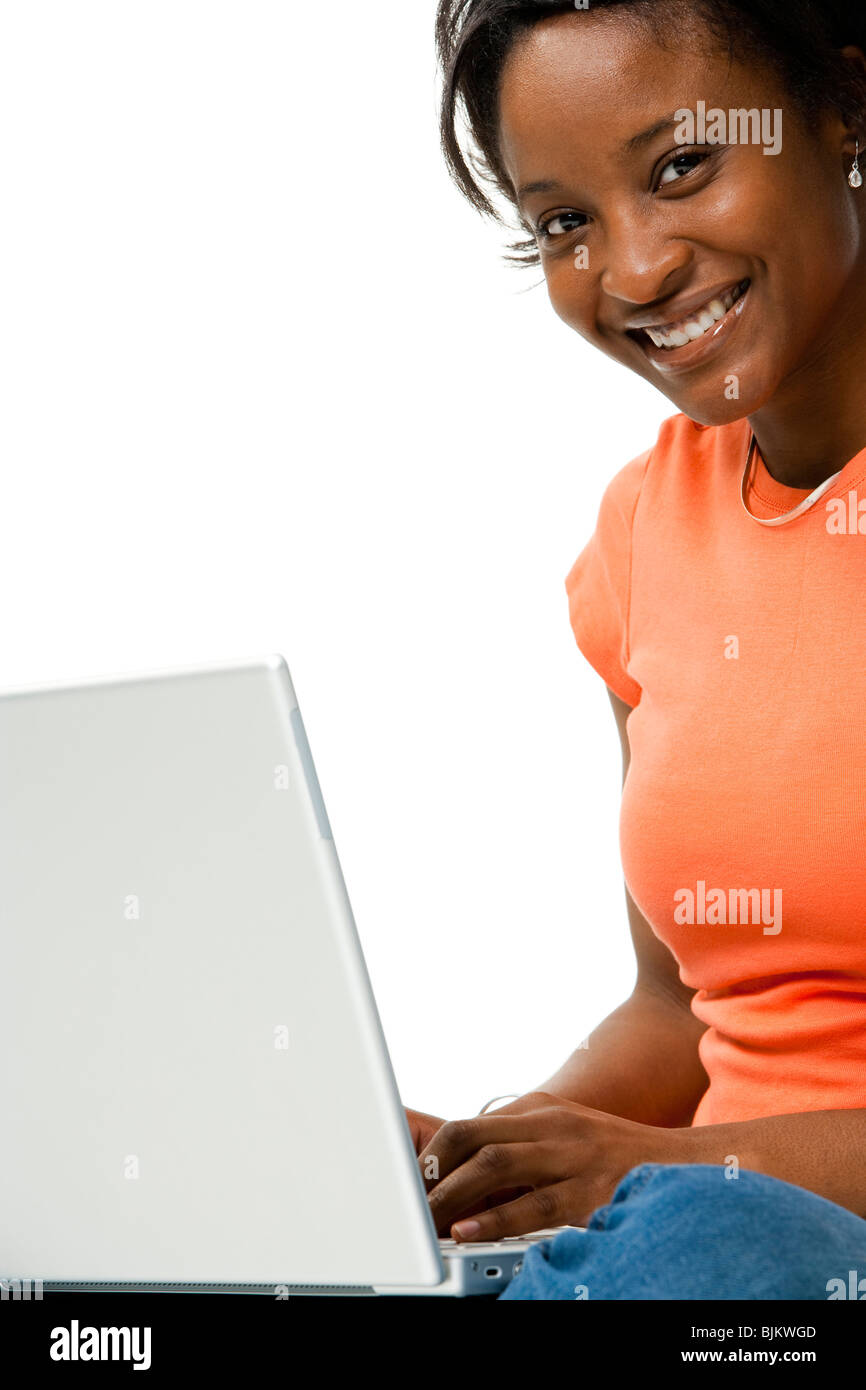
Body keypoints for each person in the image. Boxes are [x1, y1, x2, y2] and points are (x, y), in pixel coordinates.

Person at [403, 0, 866, 1299]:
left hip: (745, 1250)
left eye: (677, 168)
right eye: (563, 222)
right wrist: (512, 1152)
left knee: (706, 1243)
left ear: (842, 107)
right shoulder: (643, 533)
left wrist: (660, 1177)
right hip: (689, 1255)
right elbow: (675, 1012)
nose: (631, 270)